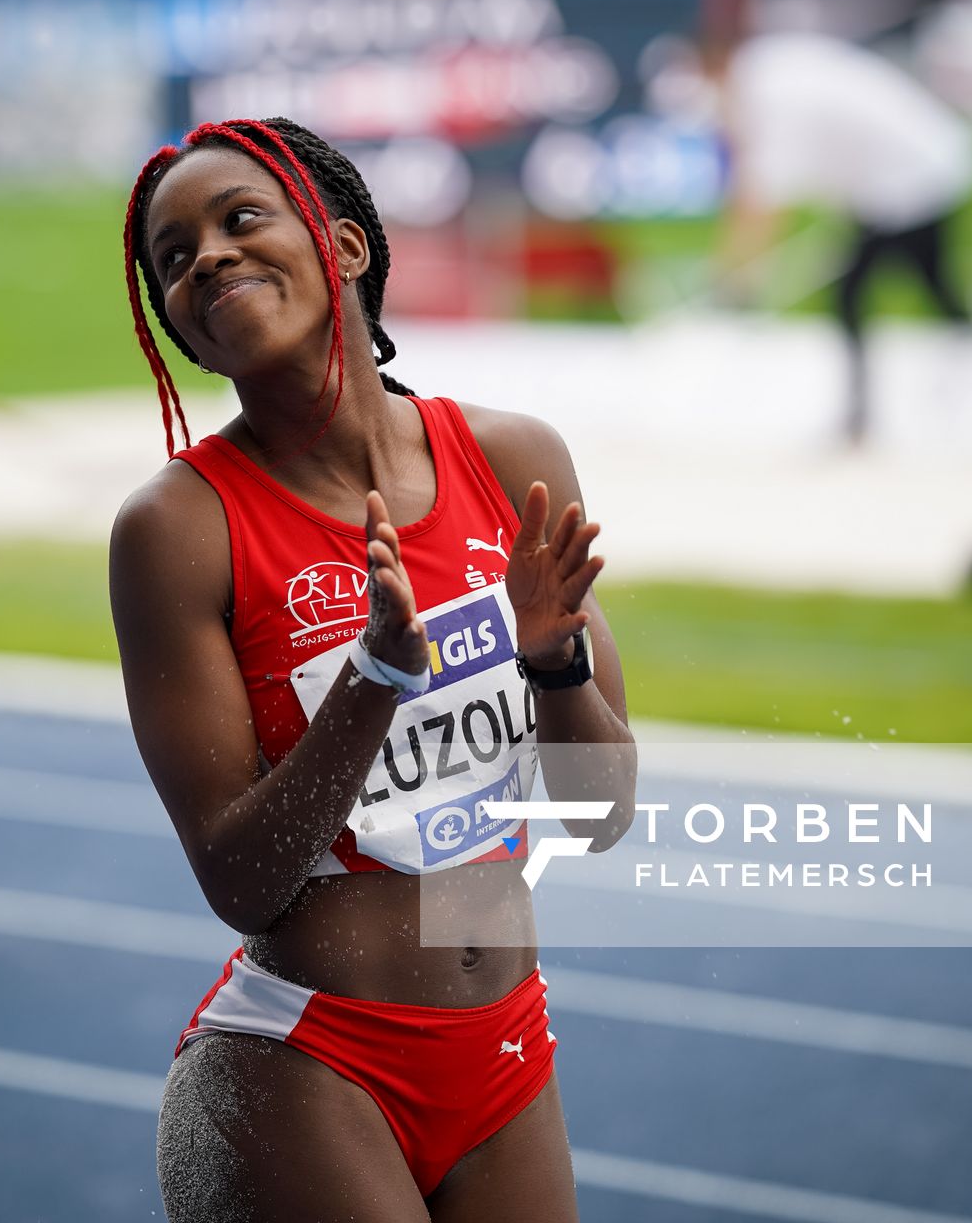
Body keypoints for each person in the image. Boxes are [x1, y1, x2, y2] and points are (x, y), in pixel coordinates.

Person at [112, 117, 640, 1221]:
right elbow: (241, 881)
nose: (205, 254)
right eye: (173, 256)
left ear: (345, 246)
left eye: (239, 217)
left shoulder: (515, 460)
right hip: (307, 1064)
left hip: (505, 1047)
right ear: (180, 329)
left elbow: (597, 813)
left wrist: (553, 660)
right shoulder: (178, 527)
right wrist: (375, 681)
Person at [712, 29, 972, 447]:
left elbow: (762, 201)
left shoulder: (773, 98)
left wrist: (739, 278)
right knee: (925, 282)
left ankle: (863, 416)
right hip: (920, 164)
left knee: (852, 293)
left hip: (908, 180)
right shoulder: (771, 63)